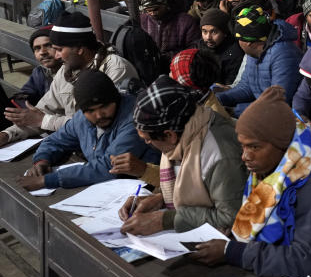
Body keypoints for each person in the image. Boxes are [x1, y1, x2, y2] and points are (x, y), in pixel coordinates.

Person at [192, 86, 311, 277]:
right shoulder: (270, 174)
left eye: (254, 147)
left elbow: (303, 262)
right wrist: (234, 238)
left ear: (282, 146)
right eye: (243, 146)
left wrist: (233, 252)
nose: (244, 156)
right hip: (274, 276)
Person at [117, 76, 245, 235]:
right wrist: (160, 199)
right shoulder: (187, 132)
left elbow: (231, 218)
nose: (147, 144)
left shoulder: (219, 154)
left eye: (148, 139)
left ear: (169, 135)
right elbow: (193, 187)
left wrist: (165, 220)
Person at [0, 13, 138, 145]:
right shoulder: (66, 70)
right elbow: (40, 113)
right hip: (72, 144)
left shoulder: (116, 68)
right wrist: (7, 135)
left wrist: (45, 121)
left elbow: (97, 123)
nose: (57, 56)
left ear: (79, 49)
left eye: (59, 49)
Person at [17, 70, 158, 191]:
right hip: (102, 188)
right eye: (90, 110)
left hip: (140, 189)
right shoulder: (82, 118)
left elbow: (109, 166)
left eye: (104, 106)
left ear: (116, 100)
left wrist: (48, 181)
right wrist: (42, 161)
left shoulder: (134, 117)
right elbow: (55, 141)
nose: (99, 115)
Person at [217, 5, 301, 115]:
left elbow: (278, 103)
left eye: (238, 39)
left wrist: (233, 111)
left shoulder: (284, 56)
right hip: (263, 114)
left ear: (248, 43)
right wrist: (219, 99)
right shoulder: (253, 53)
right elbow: (246, 88)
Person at [138, 0, 201, 65]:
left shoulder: (185, 21)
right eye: (148, 10)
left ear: (165, 4)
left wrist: (169, 57)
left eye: (156, 9)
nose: (153, 13)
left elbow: (194, 47)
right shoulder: (142, 20)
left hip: (178, 64)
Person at [169, 48, 232, 120]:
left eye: (173, 72)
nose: (169, 75)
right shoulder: (201, 95)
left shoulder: (210, 117)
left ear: (187, 82)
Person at [196, 8, 244, 86]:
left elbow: (230, 85)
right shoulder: (199, 47)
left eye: (214, 32)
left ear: (225, 33)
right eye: (204, 31)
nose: (208, 37)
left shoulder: (235, 54)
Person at [18, 27, 61, 105]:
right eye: (37, 48)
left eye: (48, 45)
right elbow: (26, 92)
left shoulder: (71, 73)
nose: (42, 52)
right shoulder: (40, 71)